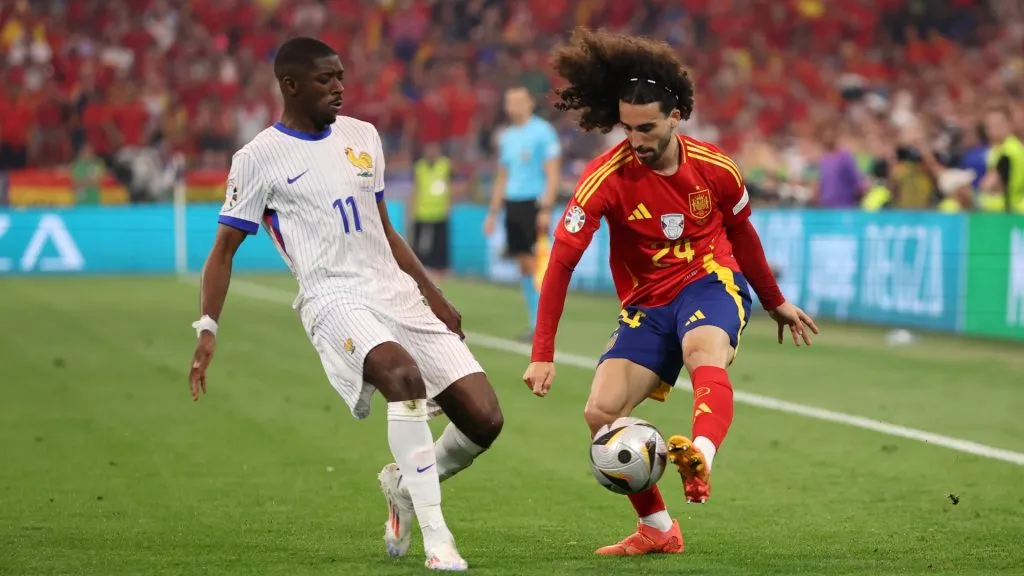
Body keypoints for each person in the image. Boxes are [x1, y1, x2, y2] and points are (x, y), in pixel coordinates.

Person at [187, 37, 503, 572]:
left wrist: (433, 293)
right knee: (402, 379)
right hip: (331, 296)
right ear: (290, 85)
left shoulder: (364, 136)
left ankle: (403, 486)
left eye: (340, 77)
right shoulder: (258, 158)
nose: (339, 87)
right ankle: (438, 538)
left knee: (484, 420)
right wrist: (207, 327)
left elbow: (383, 226)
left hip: (393, 290)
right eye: (324, 79)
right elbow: (223, 251)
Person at [522, 28, 818, 556]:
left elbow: (744, 236)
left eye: (647, 127)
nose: (635, 138)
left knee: (702, 350)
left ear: (677, 116)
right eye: (627, 127)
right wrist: (542, 353)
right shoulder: (603, 179)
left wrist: (773, 300)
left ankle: (700, 454)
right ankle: (658, 528)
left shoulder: (717, 169)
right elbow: (561, 263)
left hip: (710, 281)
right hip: (647, 305)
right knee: (599, 412)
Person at [484, 86, 562, 340]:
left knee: (536, 264)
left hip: (534, 203)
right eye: (508, 102)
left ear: (529, 103)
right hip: (512, 204)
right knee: (523, 265)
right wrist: (493, 213)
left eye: (517, 101)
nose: (512, 106)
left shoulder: (543, 132)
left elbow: (552, 173)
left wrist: (547, 207)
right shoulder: (506, 136)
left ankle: (543, 324)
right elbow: (502, 176)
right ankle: (534, 321)